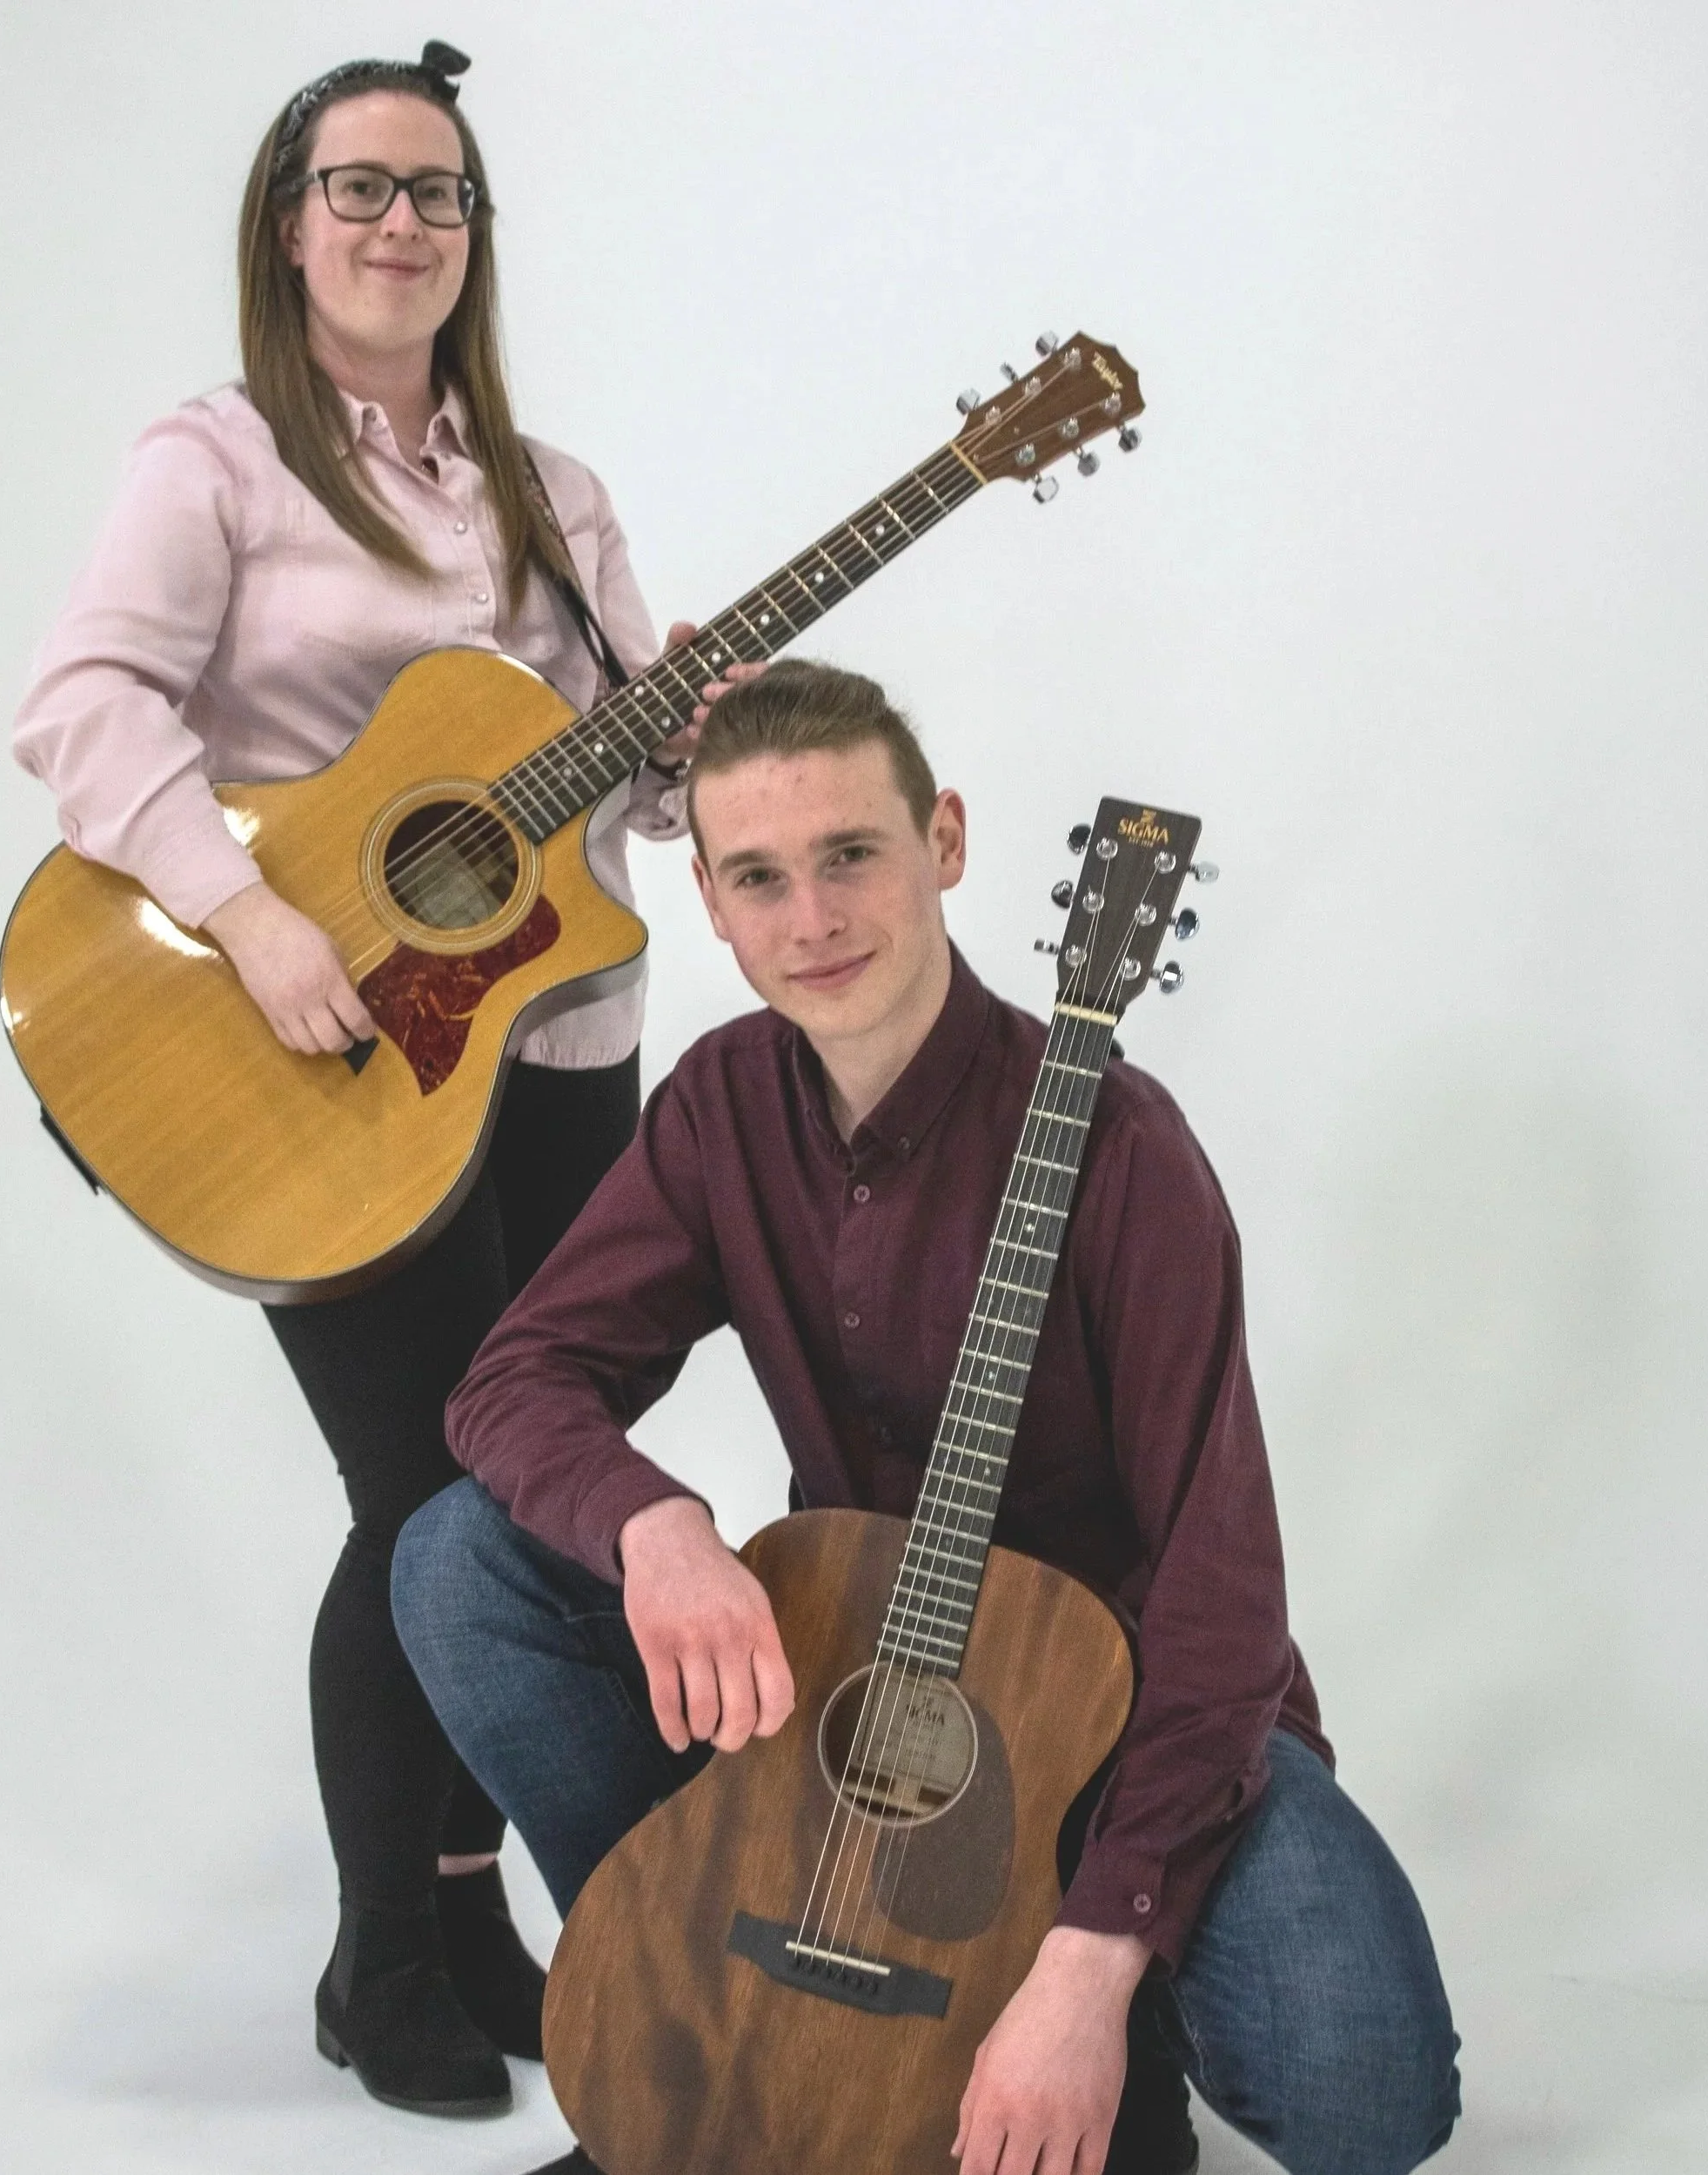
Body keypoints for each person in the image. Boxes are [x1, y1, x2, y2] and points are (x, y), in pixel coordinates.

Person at [392, 661, 1464, 2175]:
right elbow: (512, 1381)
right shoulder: (721, 1108)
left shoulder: (1125, 1151)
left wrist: (1089, 1970)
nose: (812, 919)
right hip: (851, 1696)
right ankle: (691, 2008)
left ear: (943, 840)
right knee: (457, 1559)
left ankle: (1084, 2045)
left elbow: (1221, 1604)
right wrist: (653, 1525)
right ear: (708, 899)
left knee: (1365, 2092)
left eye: (850, 853)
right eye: (759, 876)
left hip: (1123, 1722)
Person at [11, 41, 751, 2121]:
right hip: (311, 1047)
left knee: (535, 1473)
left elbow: (636, 790)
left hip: (556, 1040)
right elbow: (80, 701)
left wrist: (689, 742)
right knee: (427, 1490)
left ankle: (468, 1904)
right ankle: (380, 1956)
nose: (402, 224)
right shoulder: (219, 461)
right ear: (288, 222)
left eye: (438, 194)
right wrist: (249, 913)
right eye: (361, 187)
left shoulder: (552, 492)